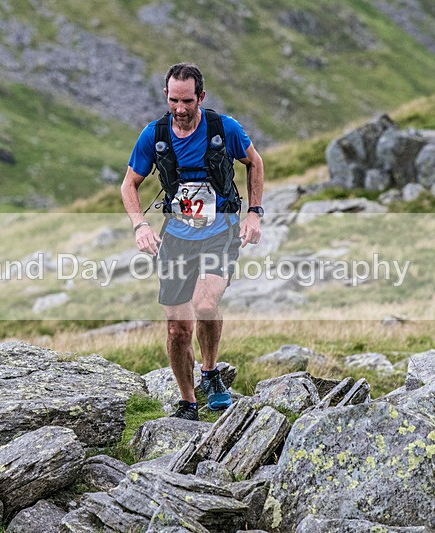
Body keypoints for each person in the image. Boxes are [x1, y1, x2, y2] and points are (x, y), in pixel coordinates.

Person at [121, 63, 264, 421]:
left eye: (187, 100)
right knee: (177, 329)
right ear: (166, 97)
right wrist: (140, 225)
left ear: (201, 96)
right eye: (173, 100)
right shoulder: (153, 136)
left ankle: (211, 373)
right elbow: (129, 185)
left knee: (204, 304)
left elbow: (254, 163)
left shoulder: (223, 128)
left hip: (220, 232)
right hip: (177, 236)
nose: (180, 109)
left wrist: (254, 213)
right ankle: (188, 402)